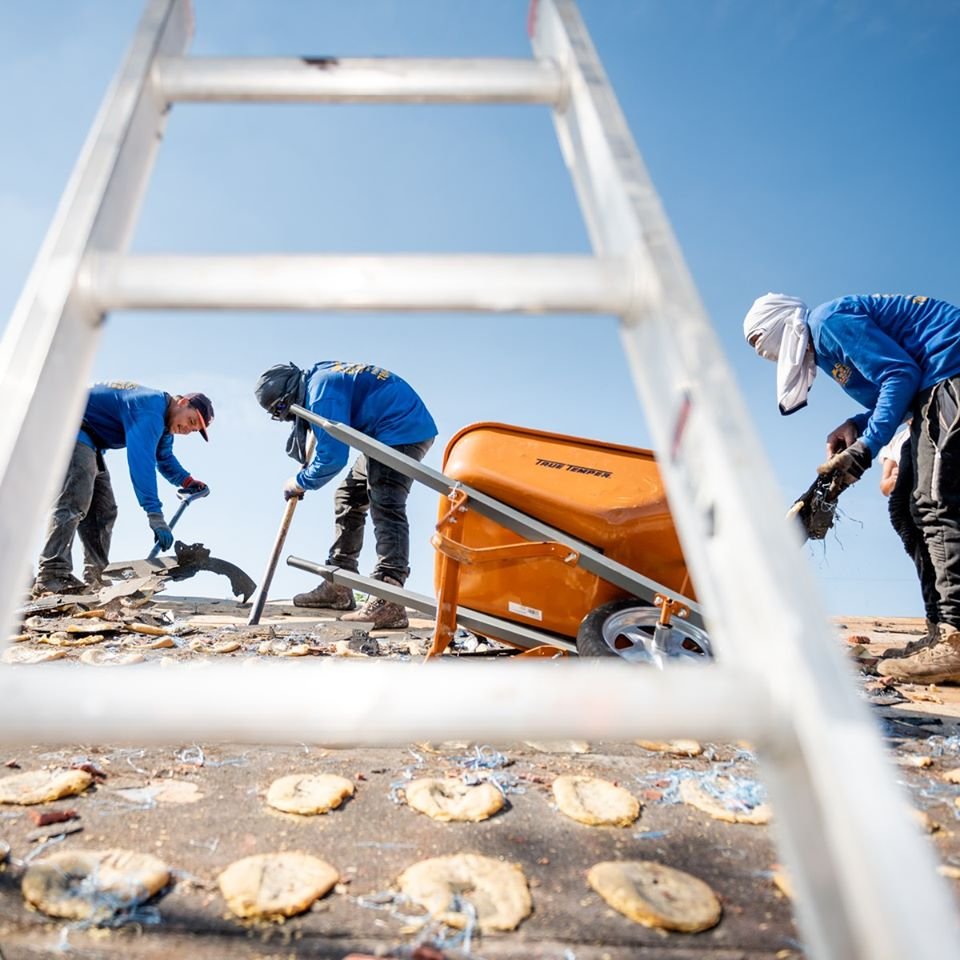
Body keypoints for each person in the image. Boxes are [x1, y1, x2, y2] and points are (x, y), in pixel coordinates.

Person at [743, 292, 960, 682]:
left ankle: (955, 639)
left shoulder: (827, 324)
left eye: (760, 340)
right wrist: (856, 425)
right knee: (905, 510)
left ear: (781, 325)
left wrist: (865, 449)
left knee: (935, 502)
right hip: (928, 390)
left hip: (949, 373)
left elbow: (900, 375)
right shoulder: (825, 345)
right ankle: (937, 632)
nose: (761, 352)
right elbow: (898, 389)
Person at [254, 361, 437, 629]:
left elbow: (333, 457)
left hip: (401, 432)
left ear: (288, 396)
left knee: (385, 501)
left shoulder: (320, 394)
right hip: (385, 433)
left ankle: (389, 596)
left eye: (281, 410)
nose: (286, 418)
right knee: (348, 496)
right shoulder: (318, 380)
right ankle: (339, 582)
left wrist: (300, 482)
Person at [33, 381, 213, 596]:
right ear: (182, 403)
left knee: (103, 512)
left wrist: (187, 482)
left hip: (90, 441)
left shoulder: (164, 422)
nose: (187, 430)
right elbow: (142, 463)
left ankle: (96, 579)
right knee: (74, 499)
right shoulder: (151, 410)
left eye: (193, 430)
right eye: (191, 421)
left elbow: (163, 457)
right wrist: (155, 515)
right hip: (69, 424)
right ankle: (52, 574)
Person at [877, 420, 939, 655]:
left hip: (932, 501)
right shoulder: (898, 440)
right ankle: (936, 627)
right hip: (910, 509)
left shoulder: (938, 424)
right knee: (924, 559)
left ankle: (941, 627)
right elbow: (884, 486)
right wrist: (897, 477)